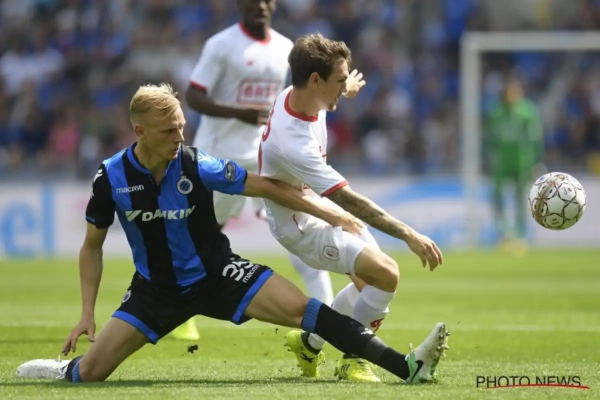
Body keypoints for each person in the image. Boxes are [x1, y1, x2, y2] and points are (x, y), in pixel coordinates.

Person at [15, 83, 449, 385]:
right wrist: (87, 313)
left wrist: (330, 213)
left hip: (220, 274)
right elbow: (91, 248)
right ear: (140, 131)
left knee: (306, 310)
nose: (179, 136)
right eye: (169, 131)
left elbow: (266, 186)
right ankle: (62, 369)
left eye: (181, 126)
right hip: (155, 290)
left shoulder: (195, 163)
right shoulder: (110, 177)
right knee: (91, 374)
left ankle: (407, 366)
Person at [258, 34, 445, 382]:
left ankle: (309, 344)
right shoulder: (293, 142)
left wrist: (343, 90)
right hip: (300, 224)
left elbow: (325, 91)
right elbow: (350, 201)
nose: (345, 87)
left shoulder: (299, 95)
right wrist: (409, 234)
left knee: (367, 282)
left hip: (313, 207)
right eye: (340, 80)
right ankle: (353, 359)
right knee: (385, 274)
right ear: (316, 80)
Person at [178, 0, 334, 341]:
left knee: (301, 225)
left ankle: (327, 317)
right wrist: (239, 112)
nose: (260, 5)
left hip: (266, 155)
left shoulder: (285, 47)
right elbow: (194, 96)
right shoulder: (221, 44)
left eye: (266, 0)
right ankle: (181, 308)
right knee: (204, 236)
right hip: (221, 157)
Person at [485, 77, 545, 254]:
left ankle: (521, 235)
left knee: (520, 197)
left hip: (522, 158)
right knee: (496, 194)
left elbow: (535, 138)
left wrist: (537, 161)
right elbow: (490, 139)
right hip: (502, 158)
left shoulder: (527, 112)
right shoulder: (496, 112)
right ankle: (504, 233)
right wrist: (488, 159)